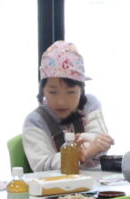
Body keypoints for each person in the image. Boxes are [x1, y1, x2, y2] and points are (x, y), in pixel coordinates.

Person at [22, 41, 112, 173]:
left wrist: (94, 147)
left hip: (96, 183)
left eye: (70, 92)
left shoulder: (90, 104)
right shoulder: (35, 121)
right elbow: (41, 165)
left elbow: (100, 141)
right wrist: (82, 153)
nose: (61, 102)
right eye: (52, 92)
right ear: (43, 91)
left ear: (81, 90)